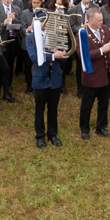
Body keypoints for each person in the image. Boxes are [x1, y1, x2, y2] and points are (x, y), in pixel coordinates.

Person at [25, 10, 67, 149]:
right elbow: (35, 57)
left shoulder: (55, 35)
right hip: (40, 77)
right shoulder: (30, 37)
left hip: (54, 76)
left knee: (53, 108)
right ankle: (40, 136)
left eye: (46, 21)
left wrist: (62, 51)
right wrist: (54, 56)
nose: (44, 24)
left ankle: (53, 134)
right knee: (39, 109)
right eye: (41, 21)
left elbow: (64, 50)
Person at [78, 8, 110, 139]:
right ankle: (84, 129)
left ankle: (101, 126)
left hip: (105, 73)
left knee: (104, 102)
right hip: (91, 75)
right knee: (87, 104)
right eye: (99, 20)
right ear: (90, 20)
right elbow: (82, 55)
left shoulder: (104, 29)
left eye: (102, 19)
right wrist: (101, 50)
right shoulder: (82, 34)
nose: (102, 22)